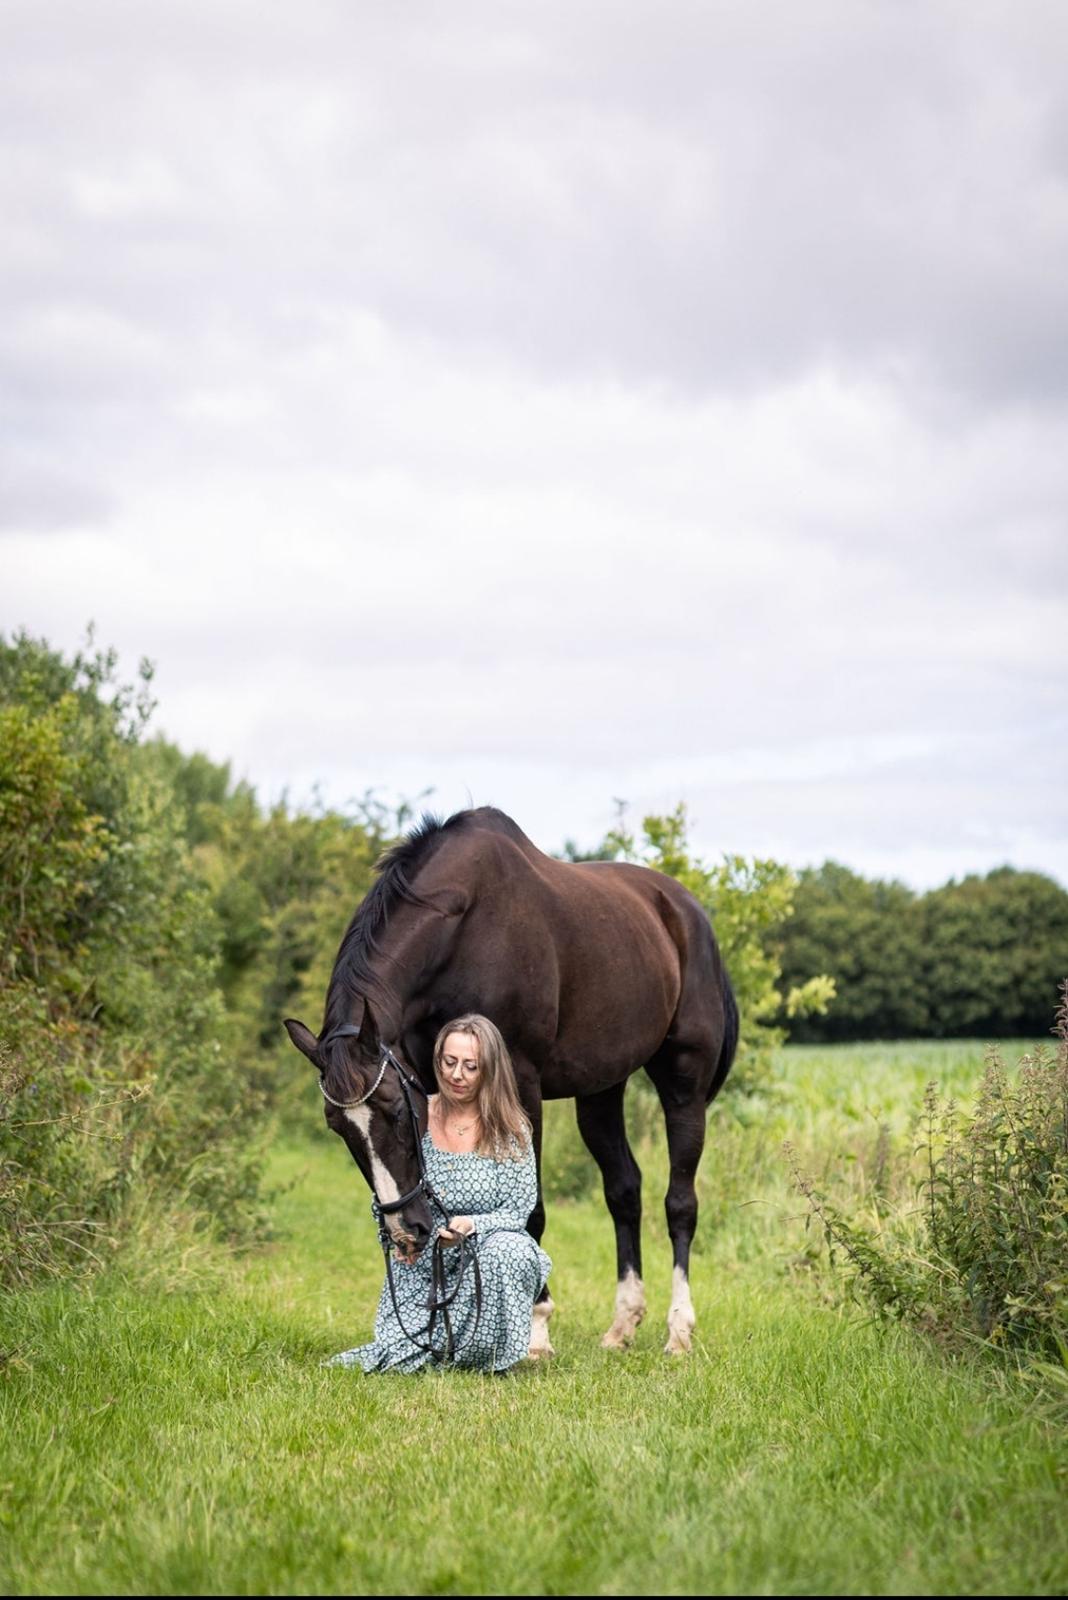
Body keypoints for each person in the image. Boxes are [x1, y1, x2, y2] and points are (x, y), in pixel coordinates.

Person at [327, 1013, 552, 1374]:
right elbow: (388, 1189)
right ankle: (447, 1348)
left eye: (470, 1066)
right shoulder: (415, 1115)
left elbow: (518, 1209)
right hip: (425, 1265)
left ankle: (482, 1351)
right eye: (449, 1062)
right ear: (437, 1061)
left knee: (509, 1250)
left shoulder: (511, 1129)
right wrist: (398, 1235)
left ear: (489, 1071)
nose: (456, 1075)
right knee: (399, 1357)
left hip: (487, 1257)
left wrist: (471, 1225)